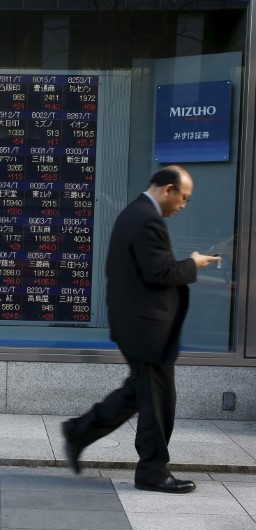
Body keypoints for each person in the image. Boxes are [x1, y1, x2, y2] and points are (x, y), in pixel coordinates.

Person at [61, 165, 220, 494]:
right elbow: (159, 273)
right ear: (168, 190)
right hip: (146, 329)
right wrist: (193, 264)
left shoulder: (134, 212)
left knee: (139, 392)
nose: (184, 206)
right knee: (159, 402)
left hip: (136, 325)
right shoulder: (147, 220)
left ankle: (79, 431)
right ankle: (152, 472)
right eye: (184, 199)